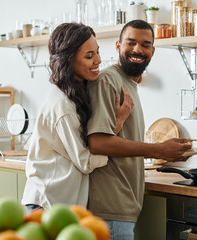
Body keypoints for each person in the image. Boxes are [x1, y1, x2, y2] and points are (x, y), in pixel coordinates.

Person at [87, 20, 192, 240]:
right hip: (110, 207)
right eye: (131, 43)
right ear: (118, 46)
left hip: (124, 206)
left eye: (145, 45)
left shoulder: (129, 83)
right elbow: (98, 143)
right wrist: (158, 150)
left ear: (152, 50)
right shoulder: (108, 81)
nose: (138, 50)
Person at [21, 22, 134, 212]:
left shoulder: (76, 94)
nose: (98, 60)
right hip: (46, 204)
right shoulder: (63, 106)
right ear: (68, 61)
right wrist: (117, 124)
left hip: (56, 202)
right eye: (89, 56)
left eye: (97, 52)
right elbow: (86, 162)